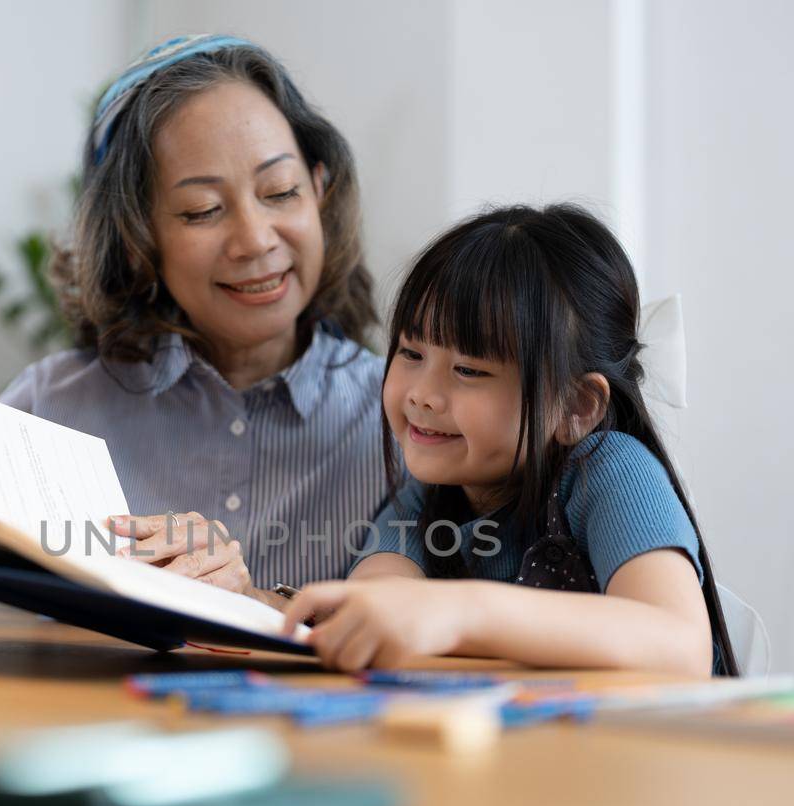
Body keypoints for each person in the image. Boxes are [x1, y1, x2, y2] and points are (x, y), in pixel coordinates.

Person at [0, 35, 386, 632]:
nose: (255, 240)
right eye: (201, 211)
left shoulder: (401, 414)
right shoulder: (59, 401)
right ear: (137, 238)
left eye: (280, 193)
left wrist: (260, 602)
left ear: (320, 192)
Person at [280, 204, 738, 674]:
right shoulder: (422, 499)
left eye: (469, 370)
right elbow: (380, 604)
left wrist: (462, 611)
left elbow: (680, 647)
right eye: (411, 352)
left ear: (575, 406)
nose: (421, 395)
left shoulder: (610, 471)